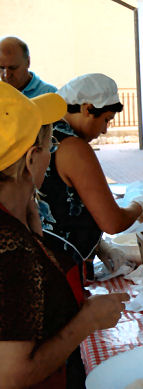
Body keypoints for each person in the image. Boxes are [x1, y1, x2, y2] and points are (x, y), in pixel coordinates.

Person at [0, 81, 129, 388]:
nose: (53, 152)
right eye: (48, 147)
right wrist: (87, 321)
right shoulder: (11, 248)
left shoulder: (17, 225)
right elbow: (11, 374)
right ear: (31, 160)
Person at [38, 73, 143, 272]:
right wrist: (139, 207)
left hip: (41, 256)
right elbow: (113, 223)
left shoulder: (45, 132)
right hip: (62, 267)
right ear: (87, 108)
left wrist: (98, 244)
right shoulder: (73, 147)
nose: (105, 130)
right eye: (106, 120)